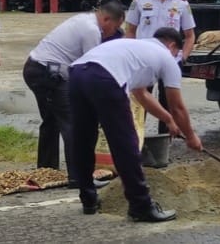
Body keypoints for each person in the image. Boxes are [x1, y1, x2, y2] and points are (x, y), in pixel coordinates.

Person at [69, 27, 202, 222]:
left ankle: (88, 200)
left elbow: (142, 95)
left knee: (83, 140)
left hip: (77, 73)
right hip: (106, 78)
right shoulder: (166, 58)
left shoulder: (137, 49)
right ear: (172, 45)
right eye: (177, 53)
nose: (176, 57)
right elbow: (178, 106)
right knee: (126, 144)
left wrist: (168, 120)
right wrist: (191, 136)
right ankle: (141, 206)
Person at [23, 0, 126, 188]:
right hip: (47, 74)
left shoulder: (84, 19)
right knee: (74, 123)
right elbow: (92, 69)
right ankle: (79, 177)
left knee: (52, 121)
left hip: (35, 68)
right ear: (107, 19)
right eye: (114, 27)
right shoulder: (92, 31)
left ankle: (47, 171)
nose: (111, 33)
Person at [126, 0, 196, 134]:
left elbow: (189, 35)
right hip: (144, 62)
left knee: (169, 104)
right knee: (140, 103)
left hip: (169, 61)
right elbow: (130, 30)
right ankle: (136, 142)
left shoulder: (181, 3)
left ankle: (163, 144)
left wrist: (182, 58)